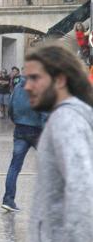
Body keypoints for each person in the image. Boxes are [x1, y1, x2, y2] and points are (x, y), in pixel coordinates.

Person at [24, 45, 93, 241]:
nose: (27, 86)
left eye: (35, 78)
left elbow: (82, 189)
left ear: (60, 80)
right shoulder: (75, 115)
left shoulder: (66, 120)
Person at [1, 76, 45, 213]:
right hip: (37, 131)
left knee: (14, 166)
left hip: (20, 130)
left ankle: (8, 200)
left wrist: (18, 121)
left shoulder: (18, 87)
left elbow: (10, 109)